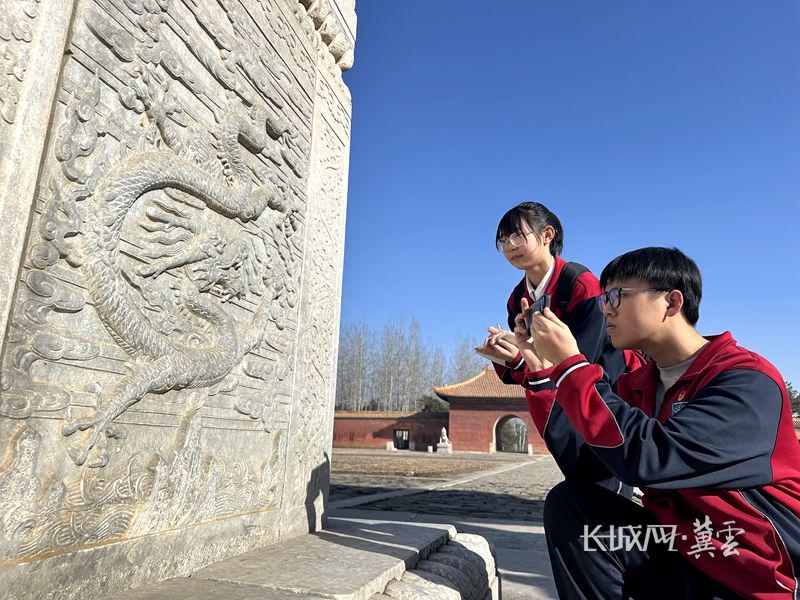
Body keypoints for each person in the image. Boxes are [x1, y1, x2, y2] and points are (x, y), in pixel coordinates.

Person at [521, 246, 800, 599]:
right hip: (683, 548)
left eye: (618, 295)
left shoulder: (745, 382)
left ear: (671, 302)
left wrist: (573, 365)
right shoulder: (637, 386)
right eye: (605, 297)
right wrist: (542, 372)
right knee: (571, 507)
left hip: (752, 568)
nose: (605, 308)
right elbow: (584, 464)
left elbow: (649, 458)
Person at [478, 201, 641, 493]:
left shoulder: (581, 284)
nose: (510, 246)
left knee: (608, 480)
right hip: (561, 398)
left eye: (517, 236)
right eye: (503, 241)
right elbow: (526, 370)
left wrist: (525, 358)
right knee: (580, 484)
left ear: (547, 235)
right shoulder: (516, 298)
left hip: (607, 392)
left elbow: (583, 359)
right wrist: (507, 356)